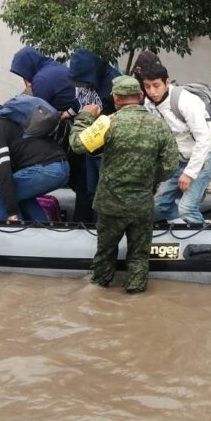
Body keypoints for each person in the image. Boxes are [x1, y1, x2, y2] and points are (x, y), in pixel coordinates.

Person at [70, 75, 179, 293]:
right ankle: (135, 297)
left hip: (111, 205)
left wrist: (84, 117)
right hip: (142, 204)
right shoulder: (159, 125)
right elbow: (170, 165)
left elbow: (77, 144)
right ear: (140, 96)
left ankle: (99, 294)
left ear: (115, 98)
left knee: (105, 253)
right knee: (139, 256)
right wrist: (148, 179)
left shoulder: (107, 123)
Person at [141, 62, 211, 225]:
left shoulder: (185, 101)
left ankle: (200, 241)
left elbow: (204, 139)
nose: (152, 92)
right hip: (179, 155)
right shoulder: (149, 104)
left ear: (167, 82)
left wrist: (189, 173)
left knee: (187, 207)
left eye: (156, 85)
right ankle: (181, 230)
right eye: (147, 87)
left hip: (205, 153)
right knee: (160, 203)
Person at [67, 47, 122, 222]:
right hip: (88, 143)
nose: (82, 86)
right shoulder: (81, 81)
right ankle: (84, 224)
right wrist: (70, 111)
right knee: (87, 189)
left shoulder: (112, 82)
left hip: (105, 146)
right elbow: (79, 102)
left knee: (102, 191)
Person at [10, 46, 78, 112]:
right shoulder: (54, 65)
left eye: (24, 75)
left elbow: (39, 113)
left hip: (63, 118)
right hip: (74, 109)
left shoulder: (41, 80)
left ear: (27, 67)